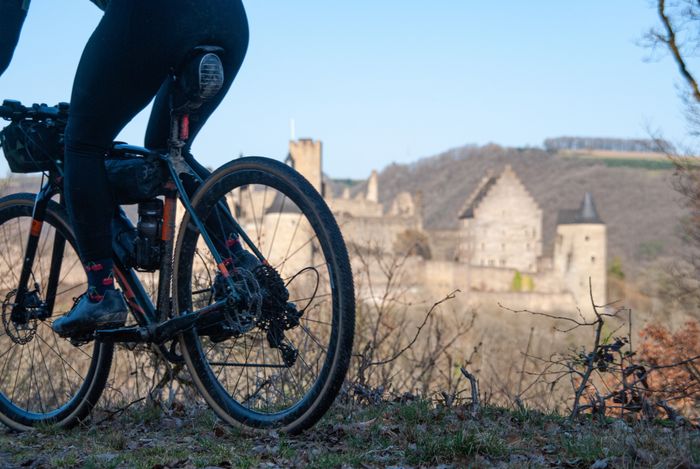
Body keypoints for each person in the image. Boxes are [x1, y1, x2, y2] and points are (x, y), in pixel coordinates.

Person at [0, 0, 250, 338]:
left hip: (157, 12)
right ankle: (239, 265)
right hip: (229, 17)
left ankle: (101, 292)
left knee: (82, 144)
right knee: (168, 150)